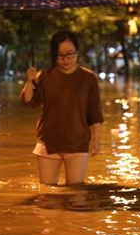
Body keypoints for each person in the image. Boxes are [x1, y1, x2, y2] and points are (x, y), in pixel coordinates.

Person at [20, 30, 104, 185]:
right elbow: (29, 102)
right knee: (47, 194)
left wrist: (96, 140)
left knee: (76, 192)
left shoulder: (88, 78)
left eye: (70, 54)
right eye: (61, 55)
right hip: (49, 140)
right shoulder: (44, 76)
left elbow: (94, 113)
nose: (66, 59)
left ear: (77, 52)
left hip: (78, 141)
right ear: (54, 55)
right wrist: (30, 81)